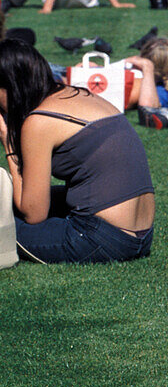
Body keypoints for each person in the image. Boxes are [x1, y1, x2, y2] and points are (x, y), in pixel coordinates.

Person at [0, 39, 154, 263]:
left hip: (102, 237)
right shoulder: (79, 95)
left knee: (6, 223)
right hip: (140, 234)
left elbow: (34, 214)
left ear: (11, 86)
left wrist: (8, 142)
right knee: (9, 203)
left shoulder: (39, 122)